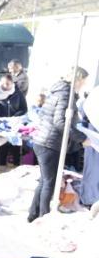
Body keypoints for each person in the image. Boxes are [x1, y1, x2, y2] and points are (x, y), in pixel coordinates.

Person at [29, 67, 88, 222]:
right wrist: (81, 138)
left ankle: (34, 214)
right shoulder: (66, 94)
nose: (83, 85)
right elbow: (61, 122)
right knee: (50, 182)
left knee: (45, 181)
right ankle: (44, 216)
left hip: (44, 140)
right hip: (50, 142)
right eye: (83, 82)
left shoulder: (57, 91)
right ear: (78, 79)